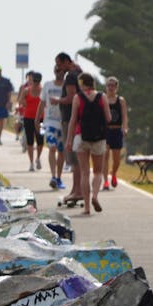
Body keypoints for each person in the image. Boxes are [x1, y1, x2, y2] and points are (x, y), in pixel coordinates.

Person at [65, 72, 111, 215]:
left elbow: (73, 120)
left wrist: (69, 140)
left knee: (85, 172)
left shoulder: (78, 98)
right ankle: (95, 196)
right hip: (99, 138)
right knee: (97, 172)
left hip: (81, 137)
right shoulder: (102, 96)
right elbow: (108, 118)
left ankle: (86, 207)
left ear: (82, 83)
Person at [52, 52, 83, 202]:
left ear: (66, 62)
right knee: (76, 157)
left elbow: (72, 98)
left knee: (73, 157)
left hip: (71, 120)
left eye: (59, 64)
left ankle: (77, 191)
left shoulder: (71, 76)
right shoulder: (78, 72)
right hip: (78, 120)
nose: (58, 68)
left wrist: (57, 100)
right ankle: (76, 190)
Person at [36, 66, 66, 189]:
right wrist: (37, 119)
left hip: (63, 123)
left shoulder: (67, 87)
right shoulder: (48, 85)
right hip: (50, 123)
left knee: (62, 152)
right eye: (57, 71)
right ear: (54, 72)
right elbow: (42, 102)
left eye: (61, 71)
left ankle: (59, 177)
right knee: (52, 147)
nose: (59, 73)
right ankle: (53, 176)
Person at [102, 76, 129, 191]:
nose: (111, 87)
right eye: (109, 85)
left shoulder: (121, 100)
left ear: (116, 87)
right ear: (106, 87)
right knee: (105, 155)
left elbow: (124, 116)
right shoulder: (103, 99)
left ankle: (113, 173)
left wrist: (125, 128)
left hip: (117, 130)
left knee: (116, 159)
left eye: (113, 85)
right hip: (105, 130)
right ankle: (105, 181)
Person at [19, 71, 44, 171]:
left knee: (40, 140)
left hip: (41, 118)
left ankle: (38, 158)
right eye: (34, 81)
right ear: (32, 80)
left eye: (38, 81)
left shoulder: (43, 91)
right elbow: (20, 101)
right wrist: (25, 104)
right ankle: (31, 163)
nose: (36, 83)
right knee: (30, 141)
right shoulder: (26, 90)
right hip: (28, 118)